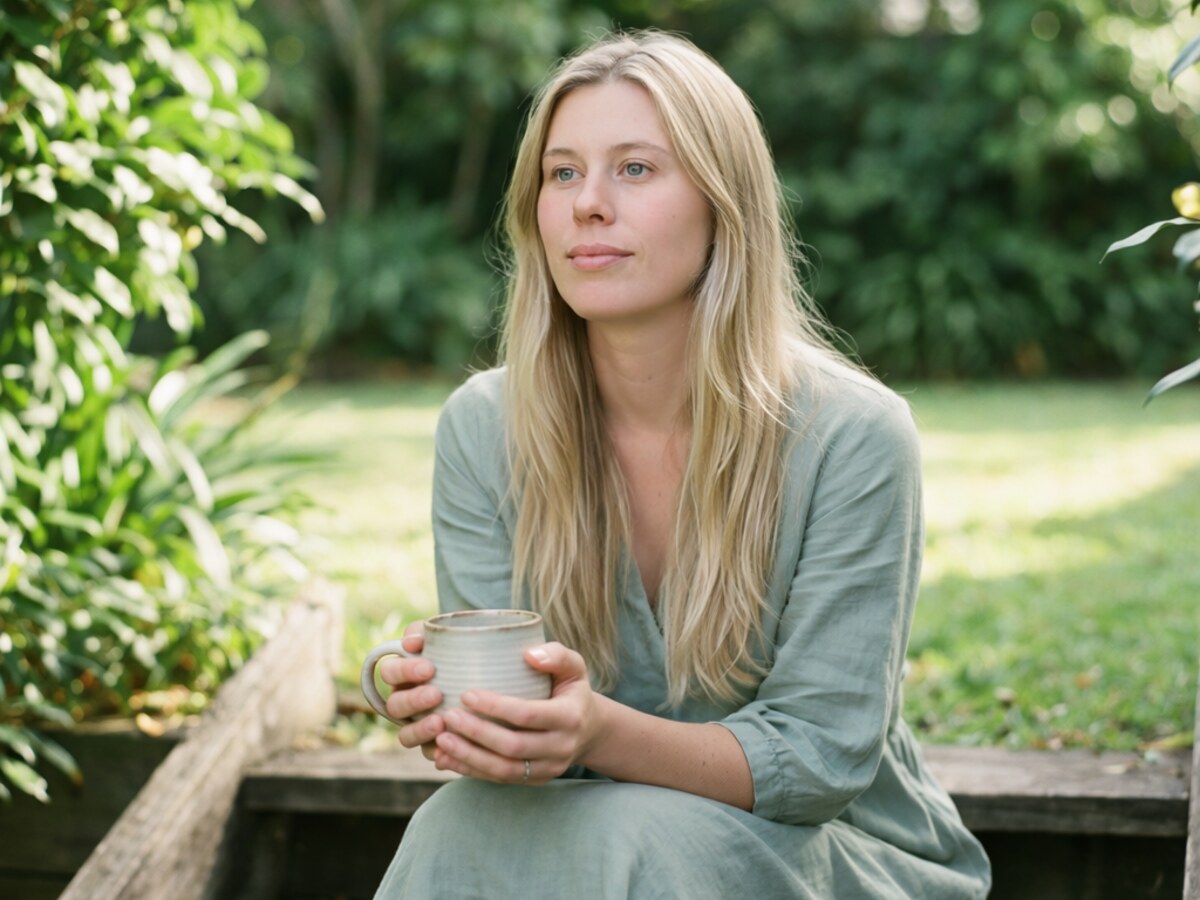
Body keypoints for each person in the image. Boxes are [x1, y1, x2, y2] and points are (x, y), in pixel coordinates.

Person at [373, 29, 991, 899]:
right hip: (595, 846)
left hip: (839, 853)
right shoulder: (484, 429)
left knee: (638, 838)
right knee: (458, 824)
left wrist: (596, 732)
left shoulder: (854, 437)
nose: (589, 204)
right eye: (562, 173)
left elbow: (818, 762)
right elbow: (521, 742)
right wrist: (463, 717)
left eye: (635, 168)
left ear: (723, 202)